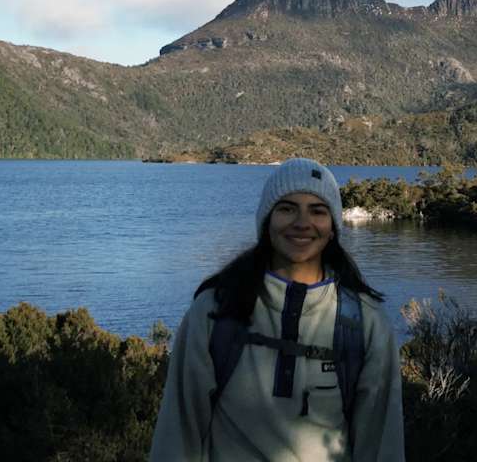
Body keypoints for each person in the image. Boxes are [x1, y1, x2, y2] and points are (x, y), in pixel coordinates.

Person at [150, 158, 405, 461]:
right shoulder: (215, 310)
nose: (302, 222)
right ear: (266, 220)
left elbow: (381, 443)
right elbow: (178, 433)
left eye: (318, 211)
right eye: (287, 208)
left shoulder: (366, 322)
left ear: (333, 228)